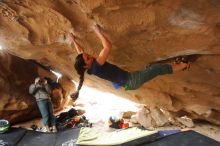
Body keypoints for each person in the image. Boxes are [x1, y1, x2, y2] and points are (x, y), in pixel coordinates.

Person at [69, 24, 190, 99]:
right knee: (156, 69)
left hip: (127, 82)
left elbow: (80, 52)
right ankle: (184, 65)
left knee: (150, 69)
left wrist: (73, 40)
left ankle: (176, 65)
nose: (91, 56)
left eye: (88, 55)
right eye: (88, 58)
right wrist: (98, 32)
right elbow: (107, 46)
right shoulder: (97, 65)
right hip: (132, 81)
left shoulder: (89, 67)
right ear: (86, 66)